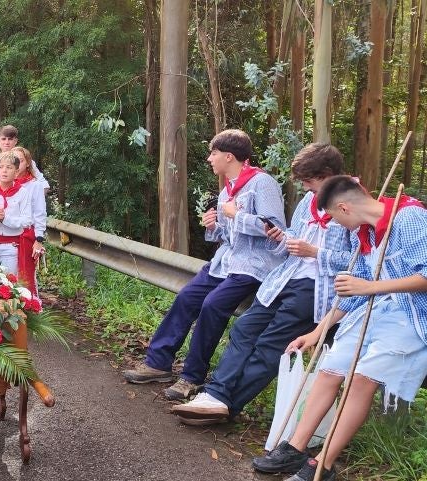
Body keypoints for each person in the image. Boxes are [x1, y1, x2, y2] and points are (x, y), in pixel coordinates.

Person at [252, 175, 427, 481]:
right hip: (375, 310)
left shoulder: (409, 216)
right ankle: (295, 447)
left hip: (412, 316)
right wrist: (317, 332)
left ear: (344, 208)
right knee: (330, 367)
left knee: (361, 379)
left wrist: (370, 287)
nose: (338, 227)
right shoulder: (366, 234)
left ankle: (323, 464)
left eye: (334, 218)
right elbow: (353, 291)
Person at [171, 143, 352, 425]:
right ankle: (215, 396)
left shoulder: (352, 203)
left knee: (270, 344)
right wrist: (282, 237)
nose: (305, 188)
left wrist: (316, 253)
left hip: (317, 288)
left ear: (328, 174)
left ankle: (227, 405)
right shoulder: (309, 201)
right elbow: (294, 236)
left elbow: (359, 262)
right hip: (284, 278)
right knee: (244, 328)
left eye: (309, 181)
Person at [123, 129, 286, 401]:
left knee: (212, 305)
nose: (210, 159)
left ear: (229, 156)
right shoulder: (227, 190)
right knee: (187, 297)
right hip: (225, 262)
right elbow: (227, 235)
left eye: (213, 153)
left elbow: (275, 228)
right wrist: (214, 226)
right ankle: (158, 363)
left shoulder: (262, 183)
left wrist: (239, 215)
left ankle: (191, 377)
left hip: (253, 265)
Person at [0, 151, 34, 277]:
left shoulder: (23, 193)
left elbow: (27, 220)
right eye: (1, 167)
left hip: (11, 247)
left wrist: (6, 219)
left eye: (9, 168)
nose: (4, 171)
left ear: (16, 172)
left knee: (9, 283)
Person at [10, 147, 47, 296]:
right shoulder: (5, 182)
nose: (17, 164)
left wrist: (39, 239)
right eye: (14, 160)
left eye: (21, 160)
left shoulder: (35, 185)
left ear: (28, 163)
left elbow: (40, 213)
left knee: (26, 275)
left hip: (26, 235)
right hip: (6, 235)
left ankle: (30, 310)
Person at [0, 125, 49, 190]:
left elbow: (44, 185)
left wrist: (32, 198)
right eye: (3, 139)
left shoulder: (25, 160)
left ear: (16, 141)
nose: (7, 142)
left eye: (10, 139)